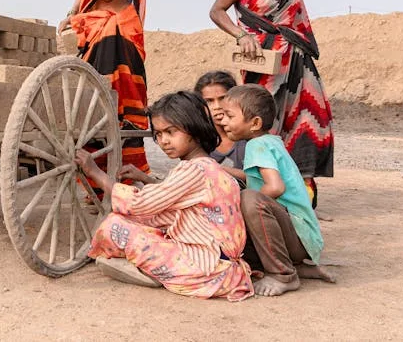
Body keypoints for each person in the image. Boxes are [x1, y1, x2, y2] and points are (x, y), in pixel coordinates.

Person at [74, 91, 253, 302]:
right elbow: (169, 202)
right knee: (144, 219)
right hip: (221, 265)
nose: (163, 141)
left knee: (115, 224)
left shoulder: (193, 170)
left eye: (170, 132)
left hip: (204, 270)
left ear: (194, 130)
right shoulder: (211, 168)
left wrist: (96, 173)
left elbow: (141, 203)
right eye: (158, 134)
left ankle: (154, 272)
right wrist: (143, 182)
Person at [209, 0, 334, 206]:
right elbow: (216, 11)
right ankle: (262, 184)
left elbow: (298, 24)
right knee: (260, 120)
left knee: (302, 120)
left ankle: (302, 190)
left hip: (296, 62)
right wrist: (241, 35)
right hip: (262, 61)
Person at [60, 0, 149, 187]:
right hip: (92, 28)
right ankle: (94, 185)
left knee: (119, 105)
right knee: (90, 106)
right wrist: (72, 14)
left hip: (118, 28)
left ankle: (123, 183)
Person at [221, 84, 336, 296]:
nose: (223, 121)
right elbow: (256, 178)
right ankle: (300, 267)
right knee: (251, 197)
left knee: (249, 200)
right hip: (304, 238)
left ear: (255, 123)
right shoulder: (270, 141)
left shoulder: (257, 145)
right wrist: (221, 170)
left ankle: (283, 274)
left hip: (298, 237)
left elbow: (275, 187)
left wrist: (240, 209)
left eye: (229, 116)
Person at [195, 70, 246, 184]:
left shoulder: (248, 137)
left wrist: (215, 168)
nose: (217, 106)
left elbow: (260, 178)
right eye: (209, 101)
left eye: (222, 98)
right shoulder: (198, 141)